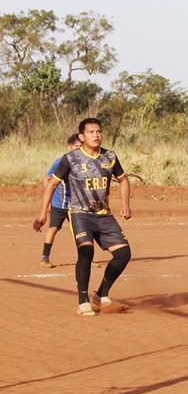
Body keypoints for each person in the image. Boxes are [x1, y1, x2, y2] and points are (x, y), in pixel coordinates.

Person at [33, 118, 132, 316]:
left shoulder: (110, 157)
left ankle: (101, 294)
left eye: (99, 131)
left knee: (123, 254)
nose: (96, 135)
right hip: (80, 214)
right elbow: (52, 184)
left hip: (104, 215)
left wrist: (125, 203)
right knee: (86, 252)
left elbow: (123, 180)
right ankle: (83, 301)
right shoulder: (70, 158)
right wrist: (43, 212)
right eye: (91, 132)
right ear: (81, 136)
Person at [40, 133, 82, 268]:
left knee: (82, 231)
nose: (78, 149)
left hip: (76, 204)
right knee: (53, 228)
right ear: (69, 147)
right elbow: (47, 179)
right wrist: (48, 202)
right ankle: (45, 258)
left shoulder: (84, 163)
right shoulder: (60, 162)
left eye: (81, 146)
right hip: (60, 203)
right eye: (76, 146)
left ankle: (86, 258)